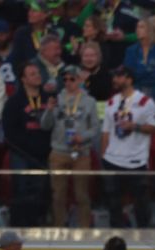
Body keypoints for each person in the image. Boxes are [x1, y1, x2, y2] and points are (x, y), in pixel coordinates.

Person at [101, 66, 155, 228]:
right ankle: (116, 235)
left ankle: (143, 235)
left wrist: (134, 126)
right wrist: (104, 156)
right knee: (113, 204)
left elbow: (154, 127)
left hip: (136, 161)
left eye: (119, 76)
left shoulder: (145, 102)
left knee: (141, 204)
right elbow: (106, 132)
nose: (115, 80)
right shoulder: (111, 101)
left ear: (129, 79)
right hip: (112, 160)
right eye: (114, 76)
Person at [42, 64, 99, 229]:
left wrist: (83, 137)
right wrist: (48, 110)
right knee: (58, 195)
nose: (68, 82)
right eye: (65, 79)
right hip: (58, 152)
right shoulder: (57, 99)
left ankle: (84, 230)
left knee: (82, 195)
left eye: (72, 79)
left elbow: (95, 128)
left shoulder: (89, 101)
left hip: (81, 153)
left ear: (79, 80)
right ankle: (59, 228)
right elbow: (45, 125)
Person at [1, 63, 54, 227]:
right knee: (21, 190)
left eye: (38, 73)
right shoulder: (14, 102)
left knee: (42, 191)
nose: (37, 76)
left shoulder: (49, 99)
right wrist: (28, 148)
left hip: (44, 154)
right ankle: (18, 226)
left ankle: (39, 225)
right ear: (23, 79)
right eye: (32, 74)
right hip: (22, 154)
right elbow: (9, 131)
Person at [123, 16, 155, 109]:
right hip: (135, 96)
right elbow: (128, 76)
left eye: (142, 27)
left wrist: (139, 73)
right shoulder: (130, 51)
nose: (138, 30)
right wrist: (148, 71)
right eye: (137, 27)